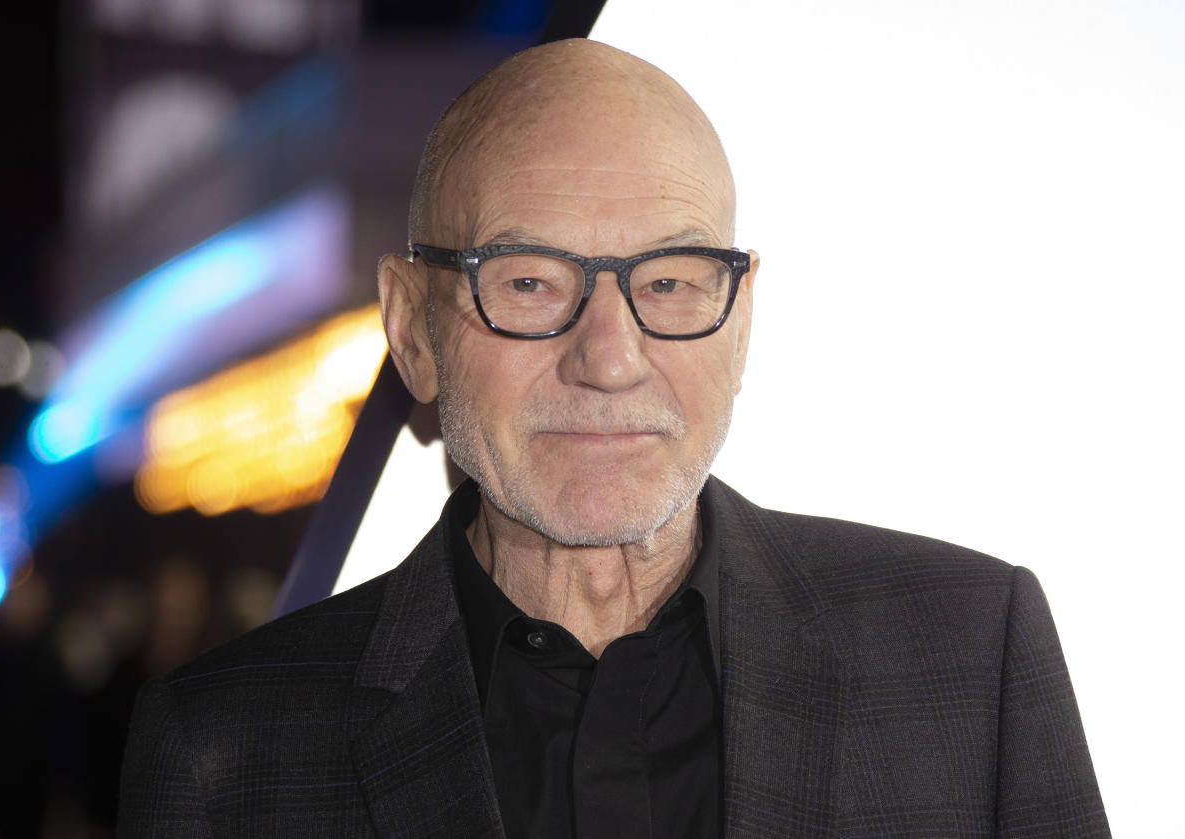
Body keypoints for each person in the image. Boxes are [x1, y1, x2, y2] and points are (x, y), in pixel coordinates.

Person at [118, 38, 1109, 838]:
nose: (610, 356)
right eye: (530, 282)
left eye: (670, 282)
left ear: (742, 314)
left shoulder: (973, 652)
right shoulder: (225, 748)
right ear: (412, 330)